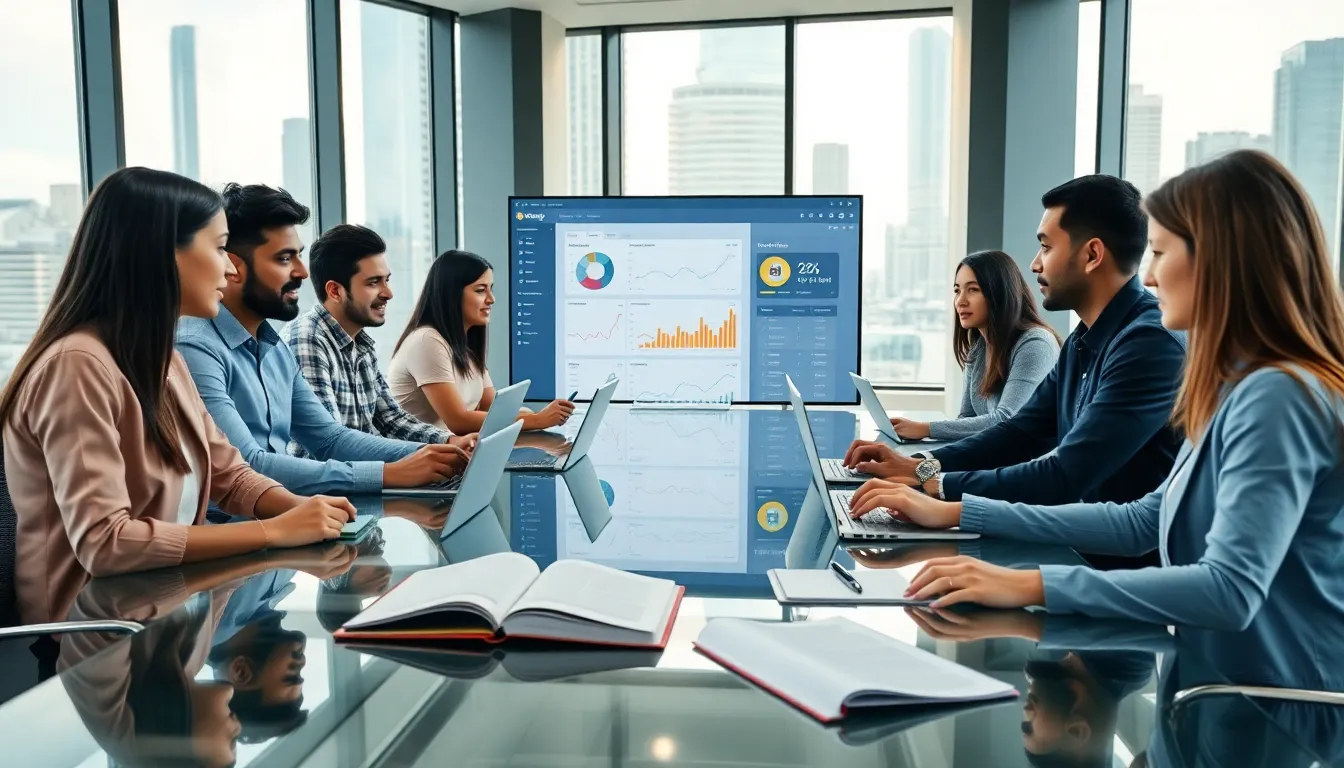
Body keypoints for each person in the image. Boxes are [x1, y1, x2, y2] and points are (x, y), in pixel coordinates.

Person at [848, 151, 1344, 687]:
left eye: (1159, 253)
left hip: (1278, 718)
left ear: (1220, 261)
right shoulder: (1232, 384)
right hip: (1212, 693)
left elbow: (1229, 590)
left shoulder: (1276, 395)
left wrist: (1028, 584)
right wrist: (953, 510)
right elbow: (1140, 522)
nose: (1149, 276)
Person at [0, 167, 358, 626]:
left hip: (166, 616)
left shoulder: (162, 360)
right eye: (220, 247)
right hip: (92, 645)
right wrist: (271, 532)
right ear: (161, 255)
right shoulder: (77, 365)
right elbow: (106, 542)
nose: (231, 267)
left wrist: (300, 510)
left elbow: (230, 475)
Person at [845, 175, 1186, 508]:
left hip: (1117, 560)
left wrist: (932, 484)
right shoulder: (1082, 340)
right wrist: (921, 464)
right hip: (1073, 540)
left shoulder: (1148, 345)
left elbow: (1067, 473)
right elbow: (1020, 432)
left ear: (1092, 255)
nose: (1035, 263)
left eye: (1046, 246)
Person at [176, 184, 469, 497]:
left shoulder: (273, 347)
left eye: (299, 256)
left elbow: (329, 438)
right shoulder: (195, 347)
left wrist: (434, 455)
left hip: (287, 516)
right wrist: (388, 473)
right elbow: (248, 466)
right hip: (236, 530)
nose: (303, 272)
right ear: (232, 266)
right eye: (285, 258)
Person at [281, 224, 476, 456]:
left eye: (387, 280)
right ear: (335, 291)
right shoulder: (308, 340)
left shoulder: (361, 344)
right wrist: (425, 454)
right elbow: (329, 445)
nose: (388, 293)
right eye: (373, 282)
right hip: (334, 487)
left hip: (364, 479)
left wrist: (450, 442)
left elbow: (391, 419)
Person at [387, 250, 575, 434]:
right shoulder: (426, 341)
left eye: (490, 289)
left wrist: (533, 415)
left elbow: (491, 407)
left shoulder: (465, 347)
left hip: (454, 450)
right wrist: (537, 420)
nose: (491, 299)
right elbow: (458, 421)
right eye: (480, 290)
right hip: (422, 455)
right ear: (451, 295)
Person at [891, 250, 1060, 442]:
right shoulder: (979, 349)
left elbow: (1007, 420)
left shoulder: (1036, 343)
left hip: (1029, 465)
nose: (961, 301)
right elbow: (967, 418)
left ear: (999, 293)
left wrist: (925, 429)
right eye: (957, 290)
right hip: (994, 460)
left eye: (973, 290)